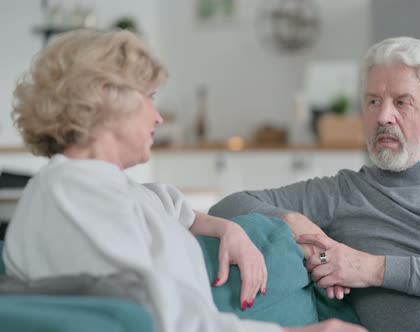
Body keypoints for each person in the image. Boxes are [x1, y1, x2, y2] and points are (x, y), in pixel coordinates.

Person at [2, 29, 365, 332]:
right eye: (149, 98)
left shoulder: (105, 187)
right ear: (105, 100)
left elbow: (175, 210)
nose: (158, 117)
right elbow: (162, 319)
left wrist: (229, 230)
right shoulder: (72, 192)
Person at [209, 37, 420, 332]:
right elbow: (228, 205)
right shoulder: (341, 193)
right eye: (373, 101)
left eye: (401, 102)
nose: (383, 116)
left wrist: (369, 268)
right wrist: (292, 221)